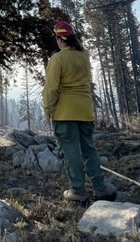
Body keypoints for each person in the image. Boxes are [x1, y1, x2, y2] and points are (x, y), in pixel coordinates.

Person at [43, 21, 116, 203]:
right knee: (88, 148)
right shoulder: (84, 56)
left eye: (57, 39)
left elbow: (51, 87)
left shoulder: (58, 59)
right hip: (84, 110)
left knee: (71, 152)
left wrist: (47, 109)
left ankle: (77, 191)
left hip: (65, 113)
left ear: (60, 39)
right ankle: (100, 188)